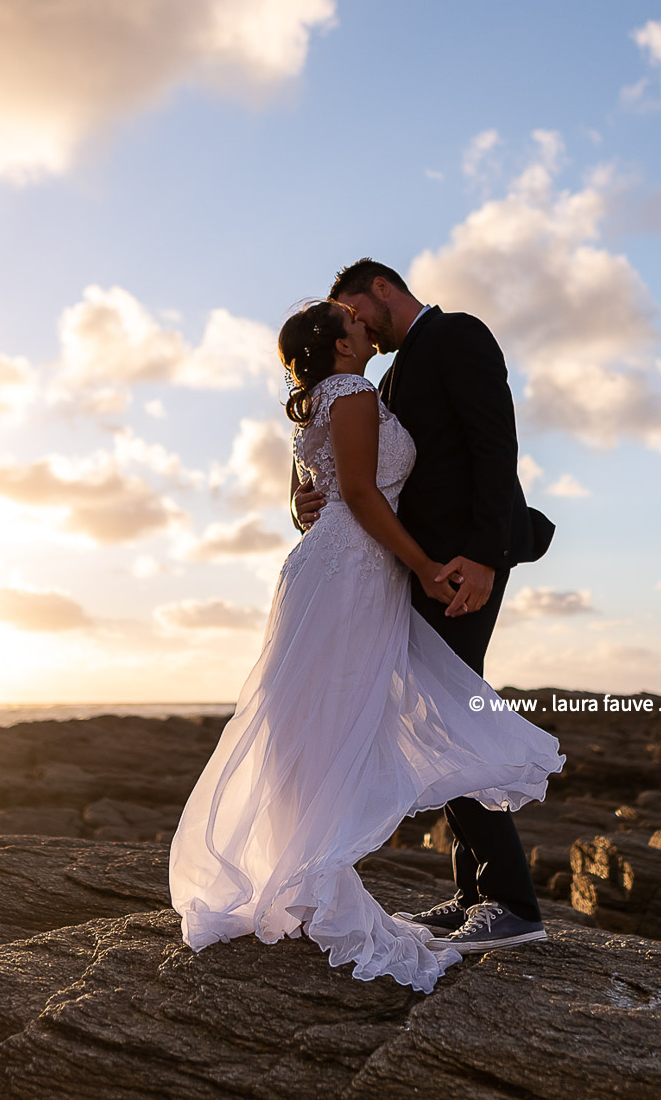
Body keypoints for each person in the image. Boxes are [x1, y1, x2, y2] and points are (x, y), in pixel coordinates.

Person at [168, 294, 563, 992]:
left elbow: (320, 481)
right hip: (355, 567)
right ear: (341, 343)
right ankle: (465, 891)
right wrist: (419, 562)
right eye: (350, 320)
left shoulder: (332, 392)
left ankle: (368, 875)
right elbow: (354, 488)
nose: (363, 322)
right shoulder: (351, 388)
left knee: (334, 717)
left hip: (346, 568)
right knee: (355, 717)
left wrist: (303, 501)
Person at [298, 258, 556, 953]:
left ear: (380, 287)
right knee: (431, 710)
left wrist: (483, 555)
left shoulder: (460, 335)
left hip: (463, 563)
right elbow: (367, 472)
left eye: (352, 308)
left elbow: (494, 445)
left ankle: (511, 900)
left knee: (449, 712)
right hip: (421, 569)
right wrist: (308, 493)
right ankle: (474, 889)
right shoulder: (388, 376)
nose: (351, 323)